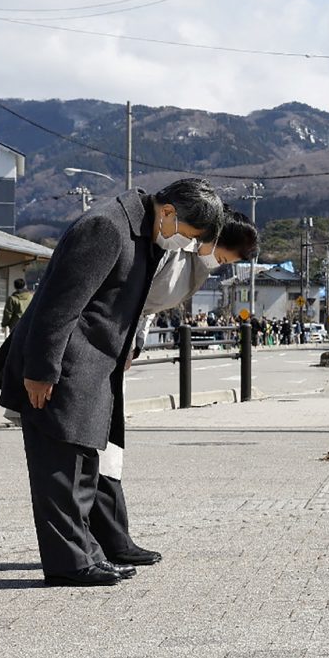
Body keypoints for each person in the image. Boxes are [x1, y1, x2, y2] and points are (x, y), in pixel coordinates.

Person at [0, 178, 224, 588]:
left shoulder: (141, 231)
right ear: (167, 211)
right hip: (63, 366)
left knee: (82, 469)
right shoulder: (107, 226)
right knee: (59, 472)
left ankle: (87, 555)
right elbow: (59, 302)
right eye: (185, 235)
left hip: (93, 367)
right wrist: (41, 370)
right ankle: (70, 564)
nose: (182, 245)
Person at [89, 213, 260, 567]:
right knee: (99, 446)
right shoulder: (170, 249)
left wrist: (134, 344)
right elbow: (138, 296)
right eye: (223, 258)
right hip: (98, 345)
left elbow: (148, 309)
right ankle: (106, 540)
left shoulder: (189, 262)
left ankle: (109, 538)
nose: (219, 265)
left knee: (109, 447)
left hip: (118, 346)